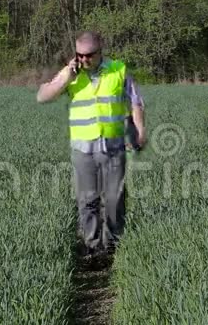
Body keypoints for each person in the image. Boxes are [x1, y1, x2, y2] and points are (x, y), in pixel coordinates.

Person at [36, 31, 146, 255]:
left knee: (115, 200)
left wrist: (140, 130)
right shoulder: (71, 73)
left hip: (113, 146)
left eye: (89, 55)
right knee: (87, 200)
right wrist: (66, 77)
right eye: (80, 55)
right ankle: (92, 246)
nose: (85, 59)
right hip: (83, 149)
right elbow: (43, 96)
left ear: (100, 50)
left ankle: (114, 247)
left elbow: (135, 102)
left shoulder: (118, 70)